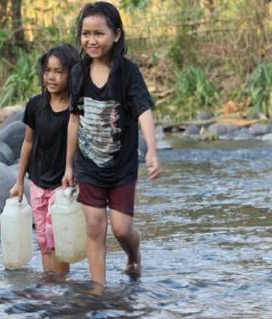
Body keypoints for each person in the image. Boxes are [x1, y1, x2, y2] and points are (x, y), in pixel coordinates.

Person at [62, 2, 161, 286]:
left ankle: (133, 255)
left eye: (99, 34)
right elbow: (74, 119)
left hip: (121, 166)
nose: (91, 40)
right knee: (94, 227)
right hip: (89, 164)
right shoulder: (79, 72)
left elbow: (143, 109)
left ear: (116, 35)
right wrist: (69, 166)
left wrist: (152, 151)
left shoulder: (127, 72)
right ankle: (98, 291)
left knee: (121, 228)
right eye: (85, 34)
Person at [9, 44, 79, 273]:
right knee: (42, 239)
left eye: (59, 71)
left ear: (72, 74)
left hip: (62, 184)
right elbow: (27, 143)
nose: (51, 76)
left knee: (56, 236)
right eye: (48, 70)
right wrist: (19, 182)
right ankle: (51, 289)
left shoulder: (75, 109)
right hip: (38, 181)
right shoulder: (36, 105)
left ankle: (60, 285)